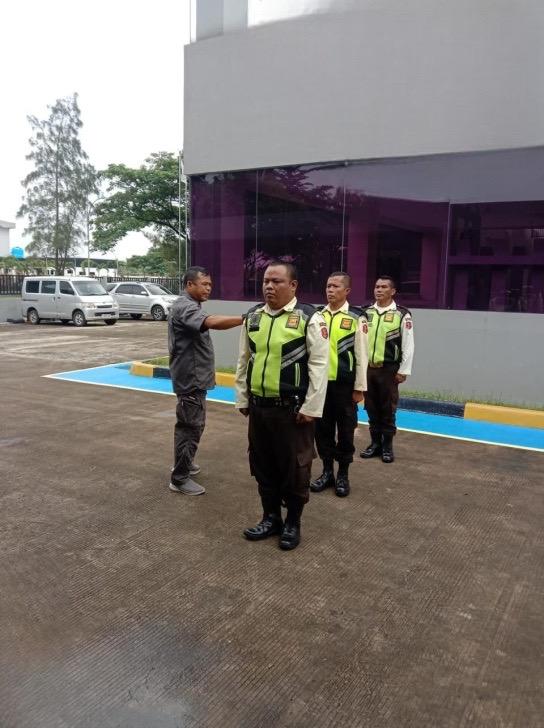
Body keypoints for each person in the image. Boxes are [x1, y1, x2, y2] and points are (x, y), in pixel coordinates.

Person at [235, 262, 329, 550]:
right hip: (259, 408)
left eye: (276, 281)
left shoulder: (309, 317)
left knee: (295, 469)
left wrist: (311, 407)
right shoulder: (253, 316)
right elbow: (244, 359)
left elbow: (319, 365)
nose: (269, 286)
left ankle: (293, 522)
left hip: (293, 411)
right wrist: (242, 397)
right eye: (266, 281)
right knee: (263, 465)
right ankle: (271, 518)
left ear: (293, 285)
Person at [169, 266, 243, 495]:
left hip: (194, 378)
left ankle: (185, 463)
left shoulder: (191, 305)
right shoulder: (185, 306)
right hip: (190, 380)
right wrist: (244, 318)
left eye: (210, 284)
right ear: (189, 284)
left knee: (190, 425)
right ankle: (179, 478)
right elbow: (212, 322)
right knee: (191, 427)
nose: (209, 288)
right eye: (204, 284)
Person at [310, 272, 368, 497]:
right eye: (328, 286)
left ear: (347, 291)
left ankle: (343, 474)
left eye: (335, 286)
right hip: (321, 385)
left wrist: (359, 387)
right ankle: (327, 472)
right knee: (322, 430)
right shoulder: (318, 315)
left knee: (345, 431)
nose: (330, 290)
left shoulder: (356, 317)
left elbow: (362, 355)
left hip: (344, 387)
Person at [360, 275, 414, 463]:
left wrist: (403, 370)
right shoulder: (365, 312)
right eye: (377, 286)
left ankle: (387, 447)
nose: (379, 290)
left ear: (393, 291)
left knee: (388, 408)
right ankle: (375, 444)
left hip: (388, 370)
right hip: (368, 369)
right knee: (371, 407)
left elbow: (408, 344)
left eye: (384, 287)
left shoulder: (402, 314)